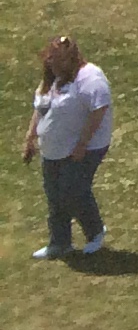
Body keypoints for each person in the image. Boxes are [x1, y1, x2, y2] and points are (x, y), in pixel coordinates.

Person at [21, 37, 112, 259]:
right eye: (50, 60)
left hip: (84, 148)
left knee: (73, 190)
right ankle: (60, 243)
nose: (52, 64)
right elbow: (39, 108)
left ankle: (95, 232)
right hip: (53, 150)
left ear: (71, 59)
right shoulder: (51, 78)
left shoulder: (90, 78)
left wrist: (82, 144)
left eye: (57, 60)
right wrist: (30, 138)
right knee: (55, 195)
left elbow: (99, 110)